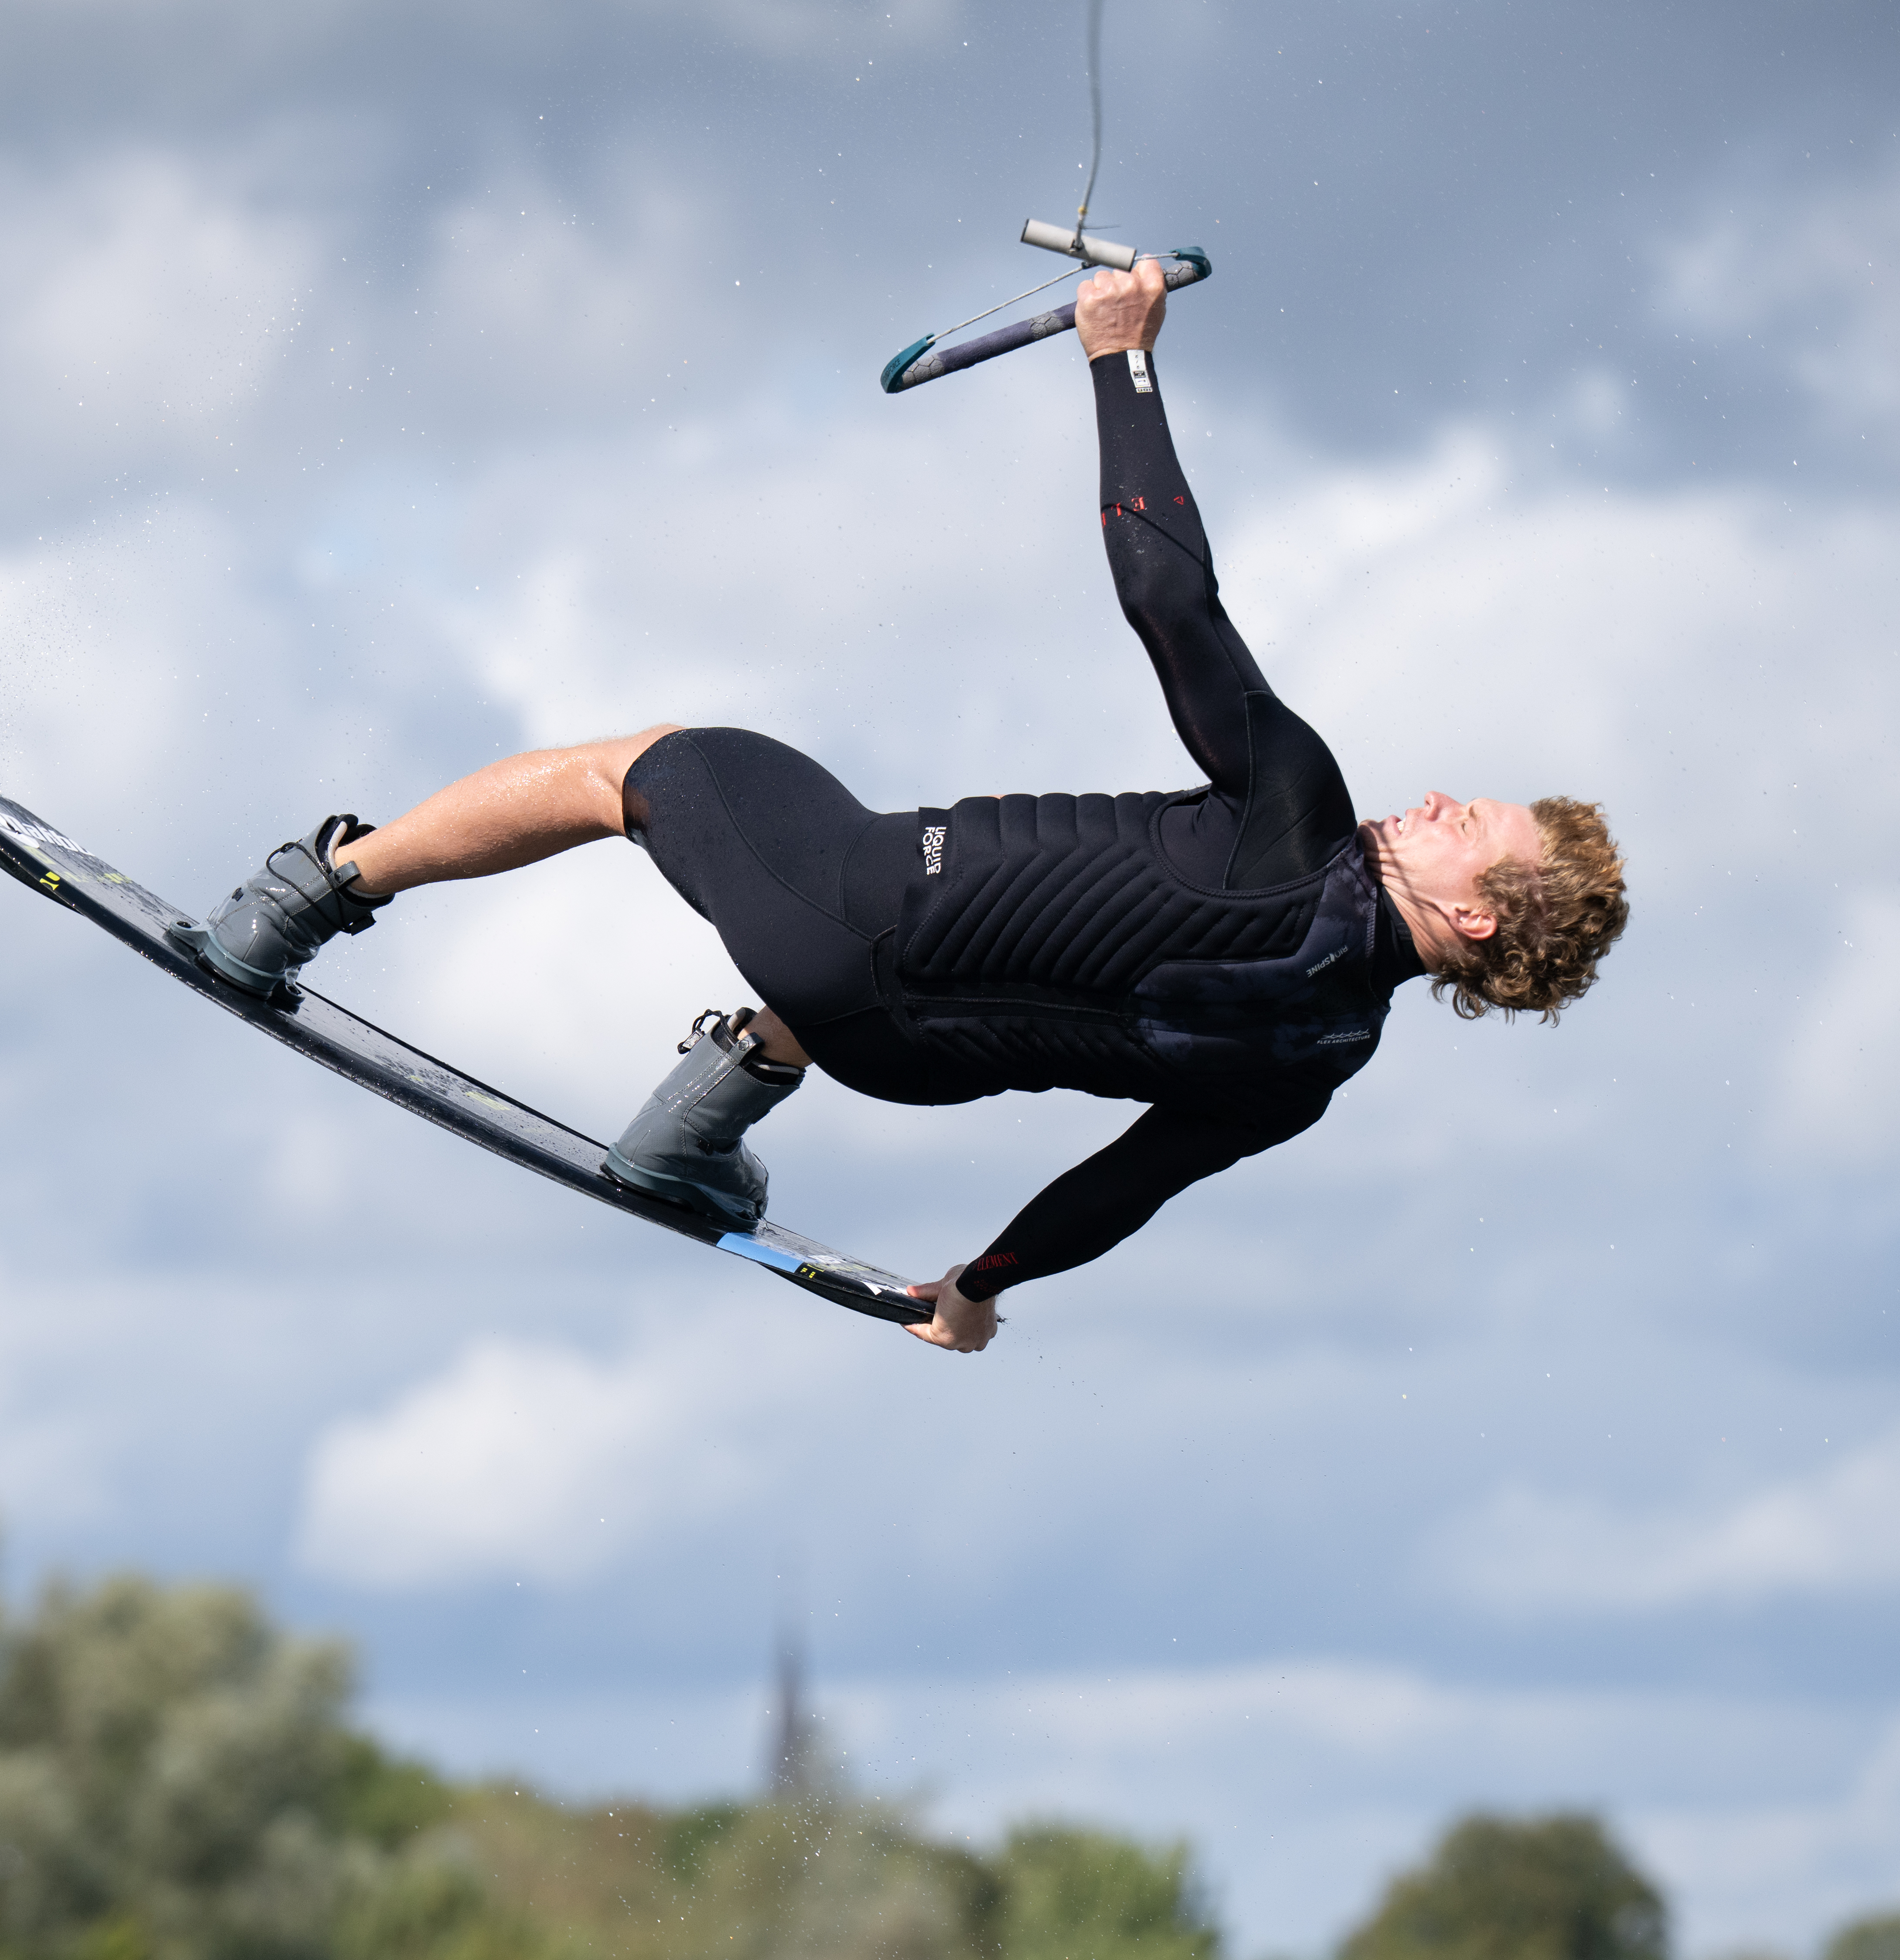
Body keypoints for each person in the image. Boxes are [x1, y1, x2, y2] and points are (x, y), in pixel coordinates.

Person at [173, 259, 1628, 1354]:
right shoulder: (1321, 1058)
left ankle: (310, 896)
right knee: (1031, 977)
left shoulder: (1299, 813)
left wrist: (1118, 364)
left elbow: (1167, 595)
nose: (1433, 800)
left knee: (644, 766)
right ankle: (698, 1123)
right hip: (905, 1065)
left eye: (1463, 823)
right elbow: (1126, 1184)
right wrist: (974, 1290)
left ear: (1479, 912)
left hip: (853, 926)